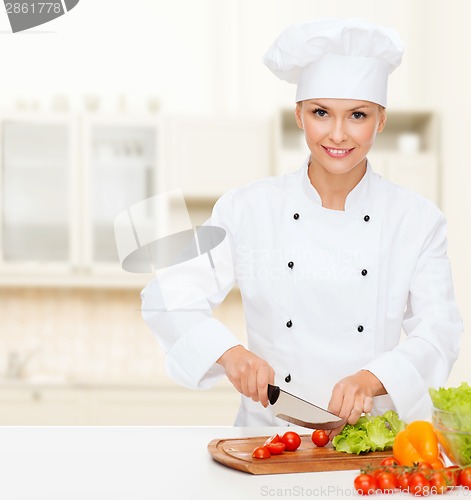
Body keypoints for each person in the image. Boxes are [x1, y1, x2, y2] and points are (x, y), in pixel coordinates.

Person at [141, 18, 463, 432]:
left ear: (381, 120)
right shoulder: (248, 209)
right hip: (268, 438)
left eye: (358, 115)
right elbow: (166, 295)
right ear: (299, 115)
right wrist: (229, 353)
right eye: (321, 113)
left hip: (367, 442)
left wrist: (372, 379)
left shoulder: (417, 221)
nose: (338, 134)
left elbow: (440, 332)